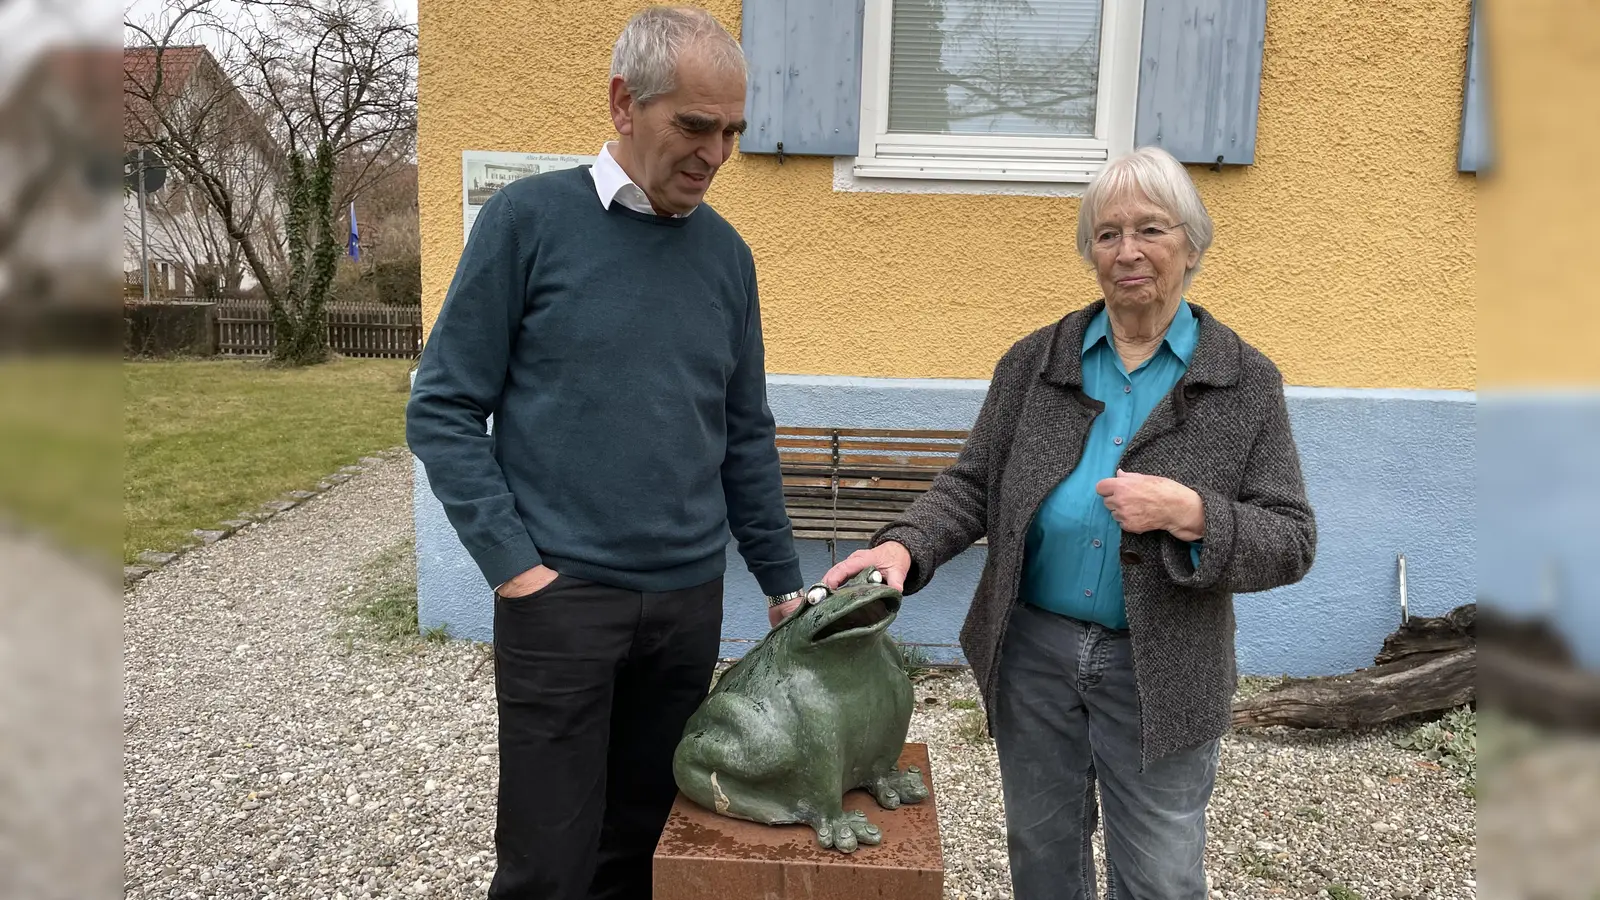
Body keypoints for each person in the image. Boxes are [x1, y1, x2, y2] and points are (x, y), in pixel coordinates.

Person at [821, 146, 1317, 899]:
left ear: (1191, 245)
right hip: (1034, 653)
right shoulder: (1036, 362)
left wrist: (1193, 515)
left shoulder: (1243, 381)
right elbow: (974, 483)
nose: (1128, 251)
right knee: (1042, 855)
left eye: (1150, 230)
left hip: (1163, 663)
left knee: (1159, 875)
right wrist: (904, 547)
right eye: (1107, 234)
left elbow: (1291, 538)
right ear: (1091, 252)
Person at [405, 8, 808, 898]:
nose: (715, 153)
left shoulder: (728, 257)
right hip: (563, 603)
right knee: (547, 866)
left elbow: (744, 432)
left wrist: (783, 583)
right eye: (695, 126)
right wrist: (517, 571)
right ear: (625, 103)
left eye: (733, 131)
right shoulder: (527, 221)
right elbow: (442, 407)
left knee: (644, 852)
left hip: (687, 604)